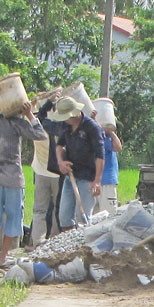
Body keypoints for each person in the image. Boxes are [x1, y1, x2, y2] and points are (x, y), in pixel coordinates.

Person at [0, 97, 48, 267]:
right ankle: (2, 258)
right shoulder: (16, 123)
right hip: (13, 179)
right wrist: (29, 114)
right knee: (14, 218)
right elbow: (40, 135)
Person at [51, 95, 105, 229]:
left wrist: (97, 180)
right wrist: (60, 162)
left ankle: (83, 244)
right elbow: (59, 145)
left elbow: (100, 155)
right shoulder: (66, 125)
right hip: (71, 175)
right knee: (64, 217)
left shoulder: (91, 128)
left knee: (83, 217)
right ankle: (67, 244)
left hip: (88, 176)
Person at [28, 89, 65, 247]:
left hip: (41, 172)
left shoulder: (38, 126)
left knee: (39, 210)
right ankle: (55, 240)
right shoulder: (58, 127)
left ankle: (38, 241)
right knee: (59, 208)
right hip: (58, 174)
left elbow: (31, 115)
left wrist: (35, 104)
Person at [99, 119, 123, 216]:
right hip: (106, 180)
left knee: (101, 214)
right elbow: (118, 147)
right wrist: (110, 132)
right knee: (109, 214)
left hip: (102, 179)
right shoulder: (104, 138)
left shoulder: (105, 138)